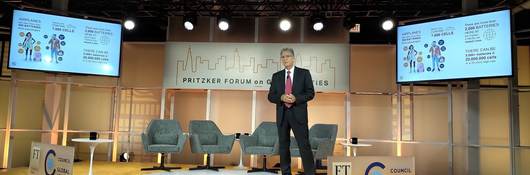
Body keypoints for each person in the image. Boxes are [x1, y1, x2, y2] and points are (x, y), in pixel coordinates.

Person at [268, 48, 315, 175]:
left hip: (298, 114)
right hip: (282, 115)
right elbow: (270, 96)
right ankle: (286, 172)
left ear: (293, 58)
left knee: (304, 145)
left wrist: (296, 98)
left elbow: (311, 93)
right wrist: (281, 97)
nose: (285, 59)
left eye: (288, 56)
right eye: (283, 57)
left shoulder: (304, 73)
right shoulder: (276, 76)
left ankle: (310, 173)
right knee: (283, 147)